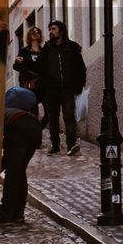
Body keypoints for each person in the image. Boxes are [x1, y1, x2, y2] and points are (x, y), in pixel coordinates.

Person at [0, 84, 42, 223]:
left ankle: (6, 213)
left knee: (12, 174)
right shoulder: (25, 112)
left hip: (19, 131)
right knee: (19, 172)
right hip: (35, 129)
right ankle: (18, 213)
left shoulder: (0, 111)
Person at [38, 19, 86, 156]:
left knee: (69, 116)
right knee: (53, 119)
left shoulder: (72, 47)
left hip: (67, 89)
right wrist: (44, 88)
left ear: (61, 30)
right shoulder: (47, 48)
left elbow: (81, 68)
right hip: (51, 90)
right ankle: (55, 145)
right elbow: (41, 70)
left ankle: (71, 144)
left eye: (53, 29)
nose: (51, 32)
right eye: (50, 30)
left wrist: (79, 85)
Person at [12, 25, 44, 91]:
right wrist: (20, 62)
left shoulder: (44, 51)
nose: (35, 34)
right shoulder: (24, 51)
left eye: (37, 32)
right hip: (28, 84)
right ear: (29, 35)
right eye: (33, 32)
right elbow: (15, 66)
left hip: (42, 84)